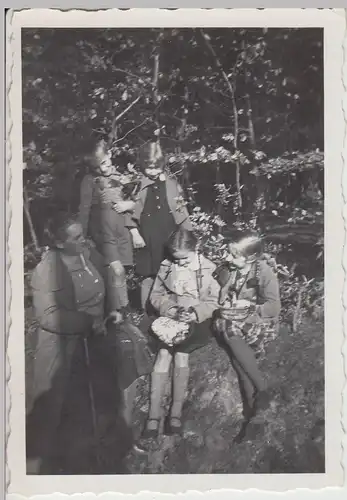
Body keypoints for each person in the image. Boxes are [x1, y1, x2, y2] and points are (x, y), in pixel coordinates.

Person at [25, 213, 149, 473]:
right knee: (59, 405)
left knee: (124, 371)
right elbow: (48, 317)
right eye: (77, 237)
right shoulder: (47, 270)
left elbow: (110, 282)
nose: (85, 240)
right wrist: (88, 322)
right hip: (66, 341)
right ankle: (50, 466)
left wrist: (113, 310)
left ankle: (118, 441)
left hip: (100, 332)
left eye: (83, 234)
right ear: (59, 243)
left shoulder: (89, 253)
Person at [140, 227, 220, 438]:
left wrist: (195, 313)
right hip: (172, 317)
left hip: (195, 320)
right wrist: (170, 309)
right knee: (164, 354)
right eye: (177, 259)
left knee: (181, 355)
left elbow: (214, 301)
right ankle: (153, 414)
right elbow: (156, 296)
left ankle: (175, 413)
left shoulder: (209, 270)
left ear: (196, 249)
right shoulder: (167, 267)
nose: (180, 263)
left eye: (184, 259)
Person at [114, 141, 193, 315]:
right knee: (149, 274)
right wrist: (135, 234)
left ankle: (169, 308)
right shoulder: (137, 186)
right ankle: (146, 309)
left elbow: (180, 209)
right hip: (148, 236)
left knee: (171, 270)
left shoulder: (171, 185)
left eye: (157, 167)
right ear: (142, 165)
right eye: (149, 168)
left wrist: (188, 233)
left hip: (170, 235)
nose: (153, 171)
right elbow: (130, 212)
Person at [212, 230, 281, 425]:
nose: (227, 258)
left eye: (233, 255)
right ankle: (255, 411)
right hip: (233, 320)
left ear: (250, 258)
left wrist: (251, 307)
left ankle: (259, 394)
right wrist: (226, 299)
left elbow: (274, 307)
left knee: (229, 336)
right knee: (234, 346)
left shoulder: (265, 273)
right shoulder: (230, 270)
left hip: (259, 323)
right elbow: (219, 297)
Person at [78, 138, 144, 322]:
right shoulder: (90, 180)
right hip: (103, 233)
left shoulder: (121, 177)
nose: (104, 169)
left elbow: (136, 202)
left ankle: (119, 308)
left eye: (106, 163)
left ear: (110, 155)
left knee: (121, 270)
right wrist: (81, 236)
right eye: (98, 167)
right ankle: (119, 309)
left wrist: (130, 210)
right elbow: (84, 210)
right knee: (116, 271)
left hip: (122, 228)